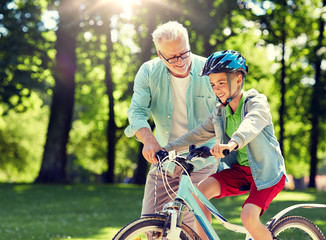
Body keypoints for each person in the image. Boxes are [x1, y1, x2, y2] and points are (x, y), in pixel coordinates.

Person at [163, 50, 287, 240]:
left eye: (221, 83)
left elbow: (251, 124)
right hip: (241, 171)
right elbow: (197, 134)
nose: (216, 89)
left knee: (248, 217)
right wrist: (166, 149)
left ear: (238, 79)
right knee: (198, 195)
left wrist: (232, 143)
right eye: (213, 84)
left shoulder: (256, 102)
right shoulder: (220, 112)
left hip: (266, 172)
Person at [124, 21, 219, 229]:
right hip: (165, 157)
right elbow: (137, 111)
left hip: (201, 159)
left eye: (184, 53)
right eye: (172, 57)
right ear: (160, 54)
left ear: (188, 45)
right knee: (149, 225)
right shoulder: (148, 72)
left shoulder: (210, 72)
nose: (180, 61)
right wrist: (149, 140)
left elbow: (228, 112)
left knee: (187, 225)